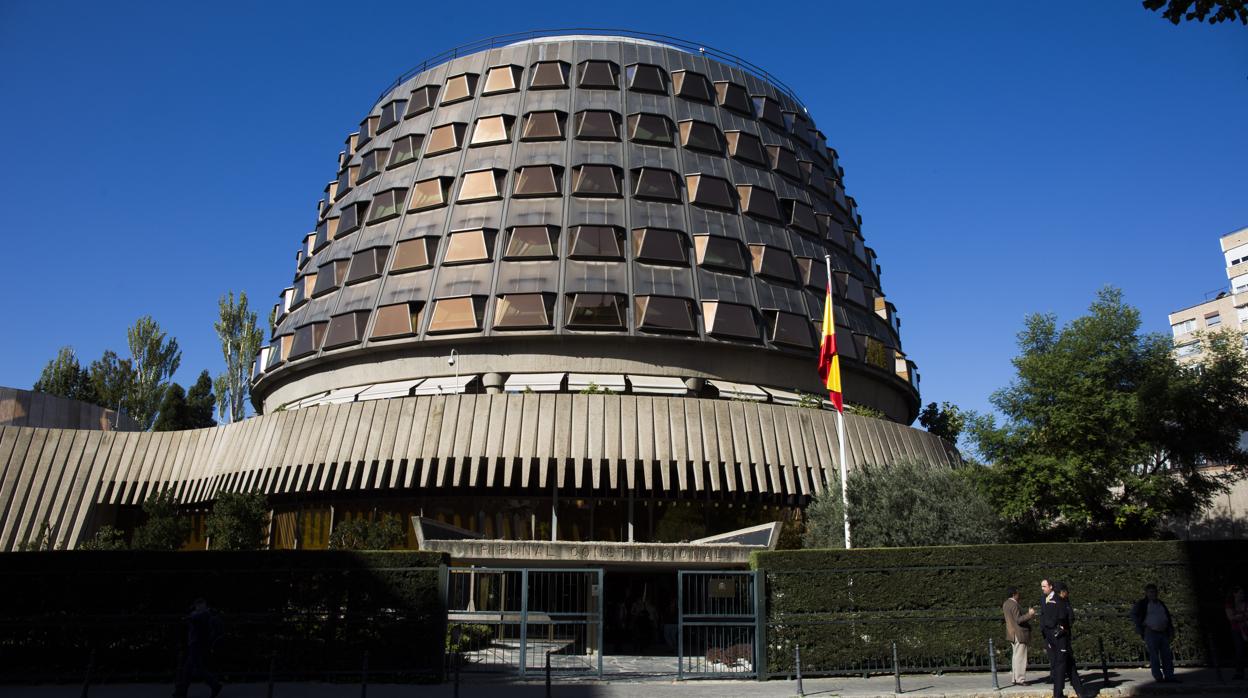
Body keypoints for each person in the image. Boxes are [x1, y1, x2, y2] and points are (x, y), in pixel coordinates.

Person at [1042, 581, 1087, 698]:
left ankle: (1080, 691)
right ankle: (1058, 694)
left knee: (1069, 664)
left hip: (1054, 637)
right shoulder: (1060, 601)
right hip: (1061, 638)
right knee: (1061, 666)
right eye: (1066, 592)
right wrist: (1063, 627)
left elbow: (1046, 622)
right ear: (1062, 592)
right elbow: (1065, 617)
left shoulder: (1050, 601)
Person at [173, 597, 223, 698]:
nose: (199, 606)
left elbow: (197, 620)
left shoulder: (203, 615)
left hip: (197, 644)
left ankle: (215, 685)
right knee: (189, 669)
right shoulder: (201, 614)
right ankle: (182, 692)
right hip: (196, 644)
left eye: (200, 604)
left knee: (196, 668)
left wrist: (188, 618)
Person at [1130, 583, 1176, 683]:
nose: (1153, 594)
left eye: (1155, 592)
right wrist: (1140, 624)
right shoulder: (1143, 604)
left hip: (1162, 631)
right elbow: (1133, 614)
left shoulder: (1160, 603)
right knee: (1154, 656)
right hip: (1150, 631)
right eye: (1151, 592)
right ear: (1146, 593)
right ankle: (1158, 677)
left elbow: (1166, 616)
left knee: (1166, 655)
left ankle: (1169, 675)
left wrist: (1170, 629)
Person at [1002, 586, 1036, 685]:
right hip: (1019, 633)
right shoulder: (1014, 604)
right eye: (1017, 593)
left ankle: (1015, 678)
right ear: (1014, 594)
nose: (1019, 595)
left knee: (1015, 656)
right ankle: (1020, 679)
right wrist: (1030, 614)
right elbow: (1018, 620)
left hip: (1011, 633)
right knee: (1020, 657)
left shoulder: (1006, 603)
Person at [1227, 585, 1247, 680]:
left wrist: (1237, 616)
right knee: (1240, 650)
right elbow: (1231, 617)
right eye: (1240, 593)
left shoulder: (1245, 603)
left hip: (1246, 627)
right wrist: (1242, 615)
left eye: (1243, 593)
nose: (1242, 595)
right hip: (1237, 629)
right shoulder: (1230, 604)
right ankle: (1239, 672)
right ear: (1234, 594)